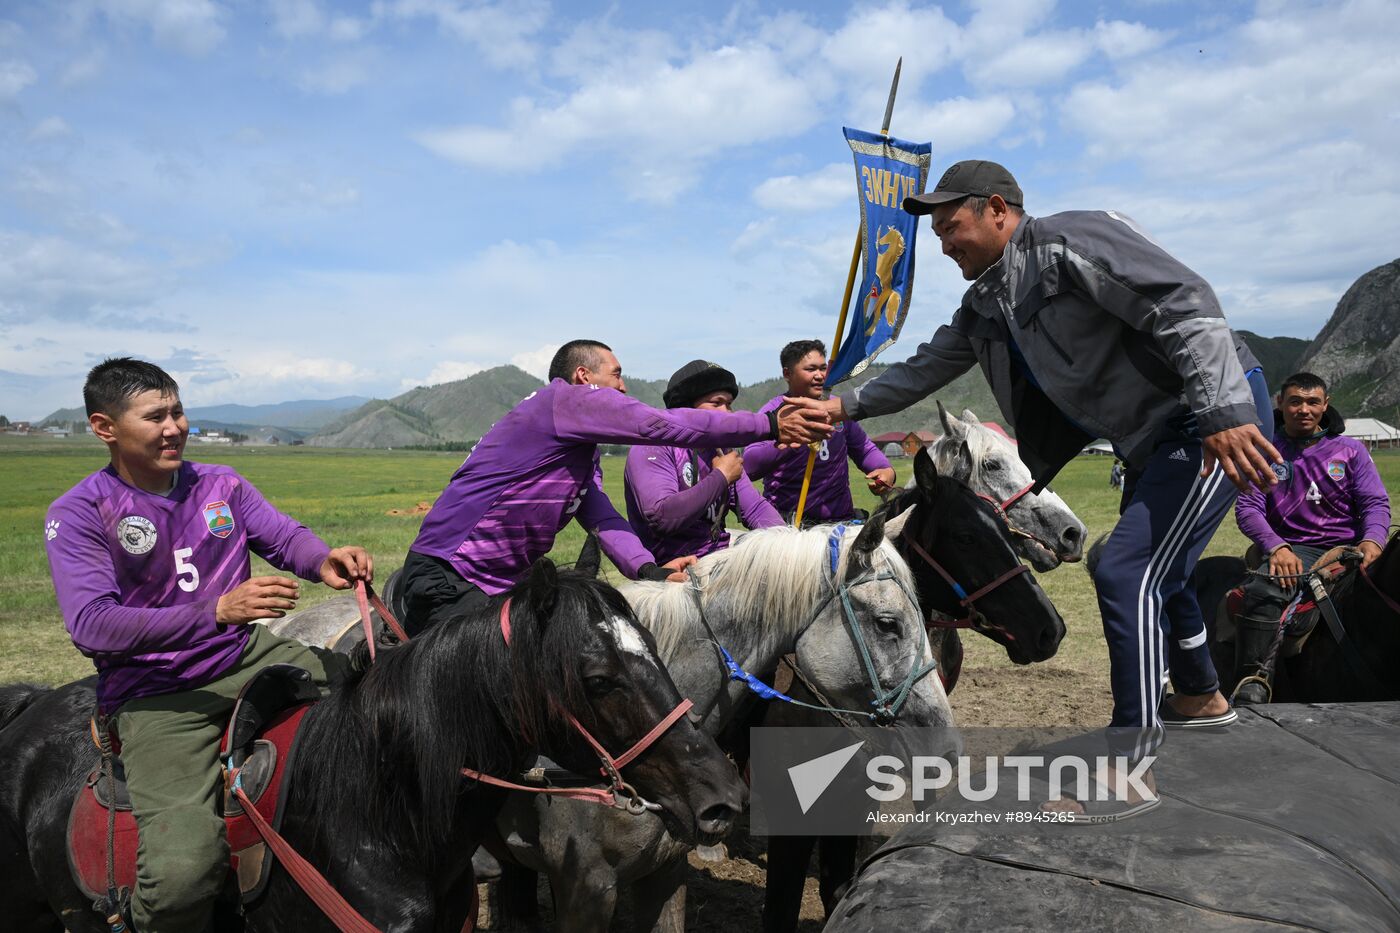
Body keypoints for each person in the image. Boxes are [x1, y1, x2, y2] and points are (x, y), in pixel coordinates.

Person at [811, 160, 1281, 807]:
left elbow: (1183, 296)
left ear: (997, 209)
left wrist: (1226, 408)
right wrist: (842, 407)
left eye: (952, 227)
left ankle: (1130, 762)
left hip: (1206, 415)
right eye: (940, 234)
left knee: (1126, 571)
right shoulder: (986, 305)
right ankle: (1200, 693)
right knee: (1159, 572)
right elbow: (925, 368)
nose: (945, 244)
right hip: (1150, 438)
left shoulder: (1070, 242)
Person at [44, 358, 373, 932]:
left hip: (247, 655)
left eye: (177, 411)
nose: (174, 427)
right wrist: (216, 610)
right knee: (182, 877)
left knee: (381, 697)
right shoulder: (79, 512)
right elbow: (92, 624)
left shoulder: (221, 484)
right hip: (158, 691)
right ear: (105, 427)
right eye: (155, 417)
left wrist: (324, 560)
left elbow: (284, 537)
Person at [397, 339, 831, 634]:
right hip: (451, 574)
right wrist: (767, 423)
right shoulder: (561, 400)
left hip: (505, 582)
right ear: (585, 377)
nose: (624, 386)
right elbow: (658, 423)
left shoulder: (578, 454)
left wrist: (647, 571)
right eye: (617, 374)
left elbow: (603, 518)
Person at [1231, 371, 1391, 704]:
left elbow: (1375, 502)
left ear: (1325, 405)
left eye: (1312, 402)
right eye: (1296, 401)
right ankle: (1254, 678)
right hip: (1292, 547)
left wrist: (1373, 541)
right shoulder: (1265, 449)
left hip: (1348, 546)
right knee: (1263, 590)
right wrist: (1276, 547)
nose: (1304, 409)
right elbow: (1248, 509)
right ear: (1281, 403)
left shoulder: (1351, 451)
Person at [624, 360, 784, 564]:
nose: (727, 412)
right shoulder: (653, 446)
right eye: (716, 403)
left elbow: (754, 509)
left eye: (729, 404)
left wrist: (788, 542)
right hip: (670, 573)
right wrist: (721, 477)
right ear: (685, 409)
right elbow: (662, 517)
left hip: (717, 561)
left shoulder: (721, 450)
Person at [743, 339, 896, 524]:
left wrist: (886, 471)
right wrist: (790, 442)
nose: (819, 375)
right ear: (787, 373)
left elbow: (863, 448)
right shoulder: (773, 414)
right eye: (810, 369)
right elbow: (750, 465)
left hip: (839, 522)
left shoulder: (838, 409)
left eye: (823, 368)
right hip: (789, 526)